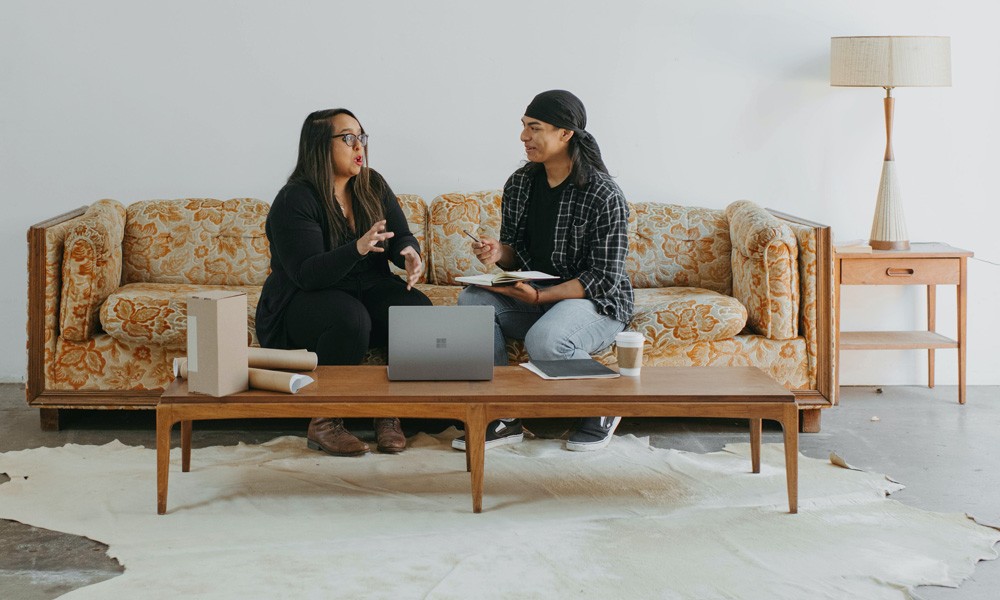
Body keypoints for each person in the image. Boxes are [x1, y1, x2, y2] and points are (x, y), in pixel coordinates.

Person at [454, 90, 634, 452]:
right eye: (523, 127)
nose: (524, 137)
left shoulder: (603, 194)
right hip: (538, 295)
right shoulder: (521, 183)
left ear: (565, 133)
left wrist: (542, 296)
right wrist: (497, 252)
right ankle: (502, 417)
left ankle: (605, 405)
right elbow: (516, 253)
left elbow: (603, 277)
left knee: (545, 340)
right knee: (472, 301)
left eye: (534, 128)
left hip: (596, 301)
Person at [255, 108, 431, 456]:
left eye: (361, 137)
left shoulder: (372, 183)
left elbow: (400, 236)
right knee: (351, 318)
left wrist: (409, 254)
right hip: (303, 299)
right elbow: (307, 273)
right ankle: (324, 420)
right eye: (348, 137)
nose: (358, 145)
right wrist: (358, 248)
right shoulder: (295, 198)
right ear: (321, 145)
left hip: (364, 288)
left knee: (416, 309)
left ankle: (387, 412)